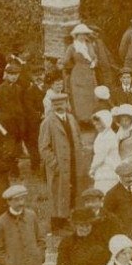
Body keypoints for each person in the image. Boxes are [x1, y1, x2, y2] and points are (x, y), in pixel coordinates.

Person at [38, 91, 84, 232]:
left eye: (62, 103)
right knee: (58, 193)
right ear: (52, 106)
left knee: (72, 190)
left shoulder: (70, 118)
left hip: (73, 162)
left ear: (66, 104)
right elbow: (44, 147)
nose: (60, 106)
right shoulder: (48, 122)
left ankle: (69, 217)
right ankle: (57, 223)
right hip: (58, 166)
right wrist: (54, 164)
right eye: (56, 104)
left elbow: (78, 138)